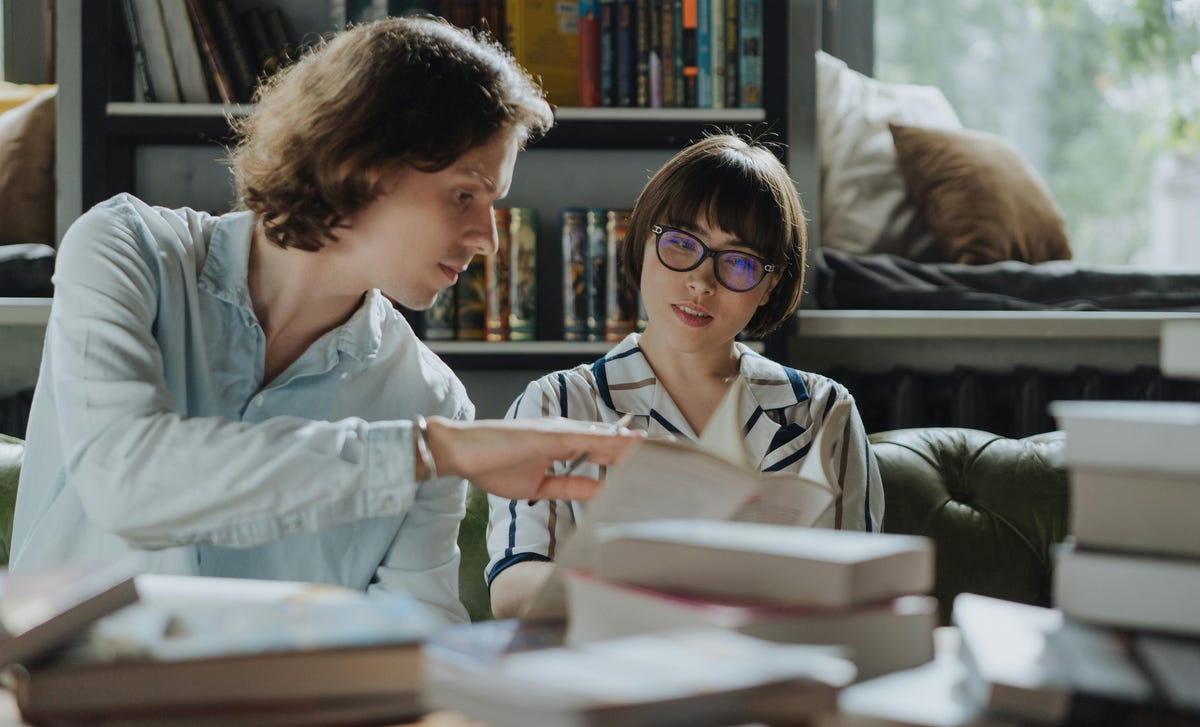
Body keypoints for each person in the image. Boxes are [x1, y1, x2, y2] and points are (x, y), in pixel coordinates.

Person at [9, 17, 638, 625]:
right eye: (464, 194)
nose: (488, 240)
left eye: (494, 202)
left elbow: (420, 632)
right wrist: (428, 451)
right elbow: (127, 483)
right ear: (359, 161)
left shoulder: (433, 398)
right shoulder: (126, 249)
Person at [486, 133, 885, 618]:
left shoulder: (823, 409)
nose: (700, 281)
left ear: (769, 285)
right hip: (613, 673)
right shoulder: (559, 403)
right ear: (643, 240)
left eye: (738, 262)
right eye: (680, 244)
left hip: (769, 673)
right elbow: (512, 591)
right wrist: (661, 577)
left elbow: (857, 592)